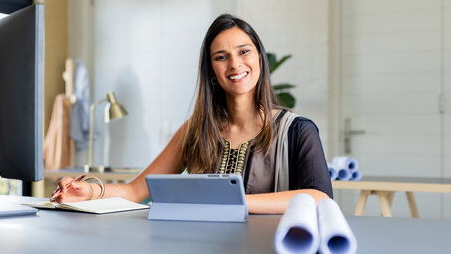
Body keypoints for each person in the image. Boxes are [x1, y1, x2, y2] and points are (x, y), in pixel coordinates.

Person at [51, 14, 332, 214]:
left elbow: (319, 197)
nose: (235, 64)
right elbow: (136, 191)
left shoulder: (298, 130)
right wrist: (90, 192)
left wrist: (234, 202)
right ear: (211, 71)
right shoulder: (196, 130)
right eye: (221, 57)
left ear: (259, 57)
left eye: (244, 51)